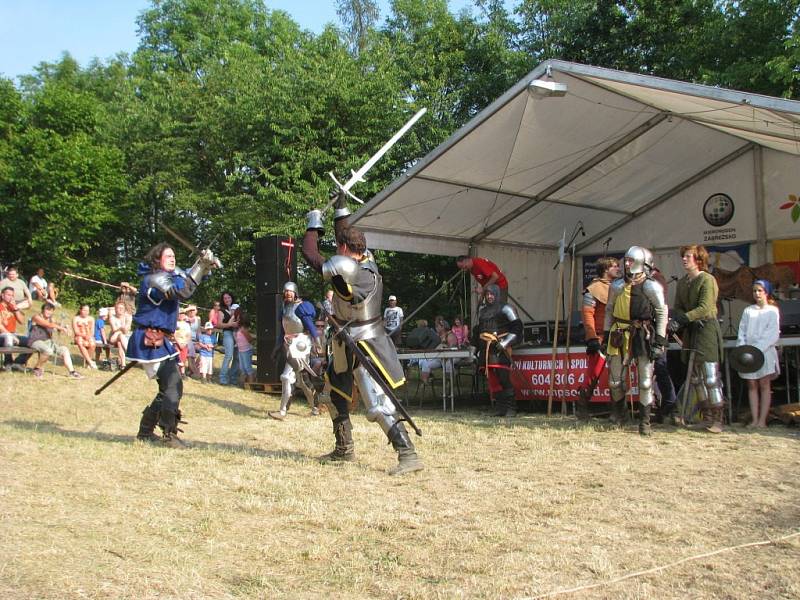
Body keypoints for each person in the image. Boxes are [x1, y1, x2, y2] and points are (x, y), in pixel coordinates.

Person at [302, 195, 423, 475]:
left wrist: (313, 223)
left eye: (339, 247)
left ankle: (408, 455)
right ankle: (344, 449)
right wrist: (341, 204)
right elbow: (343, 234)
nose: (336, 249)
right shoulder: (365, 260)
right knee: (335, 395)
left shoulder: (356, 273)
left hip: (365, 344)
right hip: (347, 340)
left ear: (345, 250)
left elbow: (311, 255)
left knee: (377, 404)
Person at [129, 242, 219, 446]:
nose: (172, 258)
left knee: (170, 386)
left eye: (174, 256)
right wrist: (201, 266)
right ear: (157, 259)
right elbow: (183, 292)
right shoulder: (154, 279)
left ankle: (145, 432)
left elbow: (186, 278)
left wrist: (205, 265)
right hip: (149, 339)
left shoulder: (169, 276)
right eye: (167, 256)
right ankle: (168, 434)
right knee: (172, 386)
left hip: (160, 340)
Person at [603, 246, 668, 436]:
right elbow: (609, 311)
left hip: (642, 334)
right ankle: (620, 414)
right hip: (619, 333)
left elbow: (662, 312)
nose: (627, 264)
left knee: (646, 382)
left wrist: (660, 341)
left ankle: (644, 422)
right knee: (615, 382)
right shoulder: (616, 286)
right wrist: (606, 336)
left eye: (631, 260)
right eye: (626, 260)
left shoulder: (651, 286)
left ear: (641, 263)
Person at [670, 244, 725, 433]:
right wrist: (679, 319)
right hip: (691, 331)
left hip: (706, 329)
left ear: (698, 260)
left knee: (710, 378)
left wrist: (684, 318)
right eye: (683, 256)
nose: (684, 259)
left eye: (688, 256)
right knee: (695, 379)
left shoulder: (707, 280)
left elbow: (705, 307)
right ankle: (706, 417)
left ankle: (718, 419)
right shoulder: (683, 282)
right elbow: (677, 306)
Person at [576, 257, 621, 421]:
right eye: (614, 266)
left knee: (617, 376)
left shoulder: (619, 287)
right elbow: (588, 314)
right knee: (593, 374)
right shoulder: (593, 289)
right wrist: (592, 337)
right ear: (605, 269)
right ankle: (581, 407)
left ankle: (616, 412)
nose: (618, 268)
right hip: (600, 337)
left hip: (617, 336)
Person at [268, 281, 321, 420]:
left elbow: (309, 325)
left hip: (301, 345)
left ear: (295, 292)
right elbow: (282, 332)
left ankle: (283, 411)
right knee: (302, 381)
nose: (287, 294)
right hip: (289, 345)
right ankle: (315, 407)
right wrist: (276, 348)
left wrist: (317, 339)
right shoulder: (285, 309)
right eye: (285, 291)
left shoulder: (302, 307)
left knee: (286, 377)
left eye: (289, 291)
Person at [736, 279, 780, 428]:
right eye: (755, 291)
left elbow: (772, 333)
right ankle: (755, 419)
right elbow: (742, 331)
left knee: (764, 384)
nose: (757, 293)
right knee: (752, 384)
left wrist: (758, 349)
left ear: (766, 292)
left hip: (765, 352)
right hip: (749, 354)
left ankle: (762, 420)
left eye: (760, 290)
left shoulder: (772, 311)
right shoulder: (748, 310)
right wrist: (743, 348)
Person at [474, 283, 523, 417]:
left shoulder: (506, 308)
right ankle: (501, 408)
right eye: (487, 294)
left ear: (497, 294)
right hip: (486, 349)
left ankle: (511, 408)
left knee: (504, 378)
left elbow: (517, 327)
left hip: (499, 347)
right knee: (493, 379)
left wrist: (506, 342)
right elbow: (479, 330)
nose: (489, 296)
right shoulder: (483, 311)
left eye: (491, 294)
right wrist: (477, 348)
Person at [27, 302, 83, 379]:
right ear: (43, 310)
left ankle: (72, 372)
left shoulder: (51, 319)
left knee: (64, 349)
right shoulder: (36, 317)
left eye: (51, 310)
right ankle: (37, 369)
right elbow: (48, 325)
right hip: (35, 341)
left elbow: (56, 325)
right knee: (48, 351)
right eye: (47, 309)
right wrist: (61, 328)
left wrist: (66, 327)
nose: (49, 312)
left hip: (48, 341)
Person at [0, 285, 29, 370]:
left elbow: (22, 321)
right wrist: (11, 335)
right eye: (8, 295)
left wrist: (15, 308)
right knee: (8, 338)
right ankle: (8, 364)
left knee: (32, 341)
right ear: (2, 295)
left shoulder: (12, 307)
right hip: (2, 335)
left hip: (13, 334)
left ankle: (18, 362)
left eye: (12, 295)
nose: (10, 297)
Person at [217, 291, 240, 385]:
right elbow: (218, 324)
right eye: (225, 298)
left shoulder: (236, 308)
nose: (227, 300)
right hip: (228, 334)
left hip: (238, 334)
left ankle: (233, 378)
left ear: (232, 298)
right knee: (229, 355)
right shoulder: (221, 310)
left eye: (228, 297)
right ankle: (223, 378)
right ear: (223, 300)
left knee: (237, 357)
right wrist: (229, 324)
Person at [72, 304, 97, 369]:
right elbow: (76, 332)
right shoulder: (76, 318)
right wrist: (84, 335)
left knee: (92, 344)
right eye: (84, 310)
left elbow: (92, 331)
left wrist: (89, 336)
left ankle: (87, 363)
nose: (86, 312)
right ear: (80, 310)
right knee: (80, 342)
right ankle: (90, 362)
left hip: (89, 336)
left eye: (87, 311)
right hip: (79, 335)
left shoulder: (91, 318)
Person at [108, 301, 132, 369]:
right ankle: (129, 352)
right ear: (115, 309)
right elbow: (114, 329)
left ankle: (123, 365)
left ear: (124, 309)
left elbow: (126, 330)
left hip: (125, 336)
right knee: (120, 335)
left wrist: (120, 329)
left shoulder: (128, 316)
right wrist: (121, 328)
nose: (120, 309)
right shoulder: (112, 318)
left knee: (120, 342)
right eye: (118, 308)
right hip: (113, 336)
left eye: (122, 308)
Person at [236, 313, 256, 386]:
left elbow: (249, 339)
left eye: (238, 318)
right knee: (242, 368)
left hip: (246, 351)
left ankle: (251, 384)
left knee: (247, 368)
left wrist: (253, 339)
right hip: (241, 351)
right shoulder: (240, 328)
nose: (237, 319)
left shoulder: (244, 329)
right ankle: (244, 384)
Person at [173, 309, 193, 378]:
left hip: (185, 344)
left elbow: (189, 335)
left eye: (183, 314)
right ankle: (176, 372)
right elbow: (174, 334)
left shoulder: (187, 325)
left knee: (183, 359)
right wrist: (178, 343)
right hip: (176, 343)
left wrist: (185, 342)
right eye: (180, 314)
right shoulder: (175, 323)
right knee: (177, 358)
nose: (181, 315)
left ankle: (182, 373)